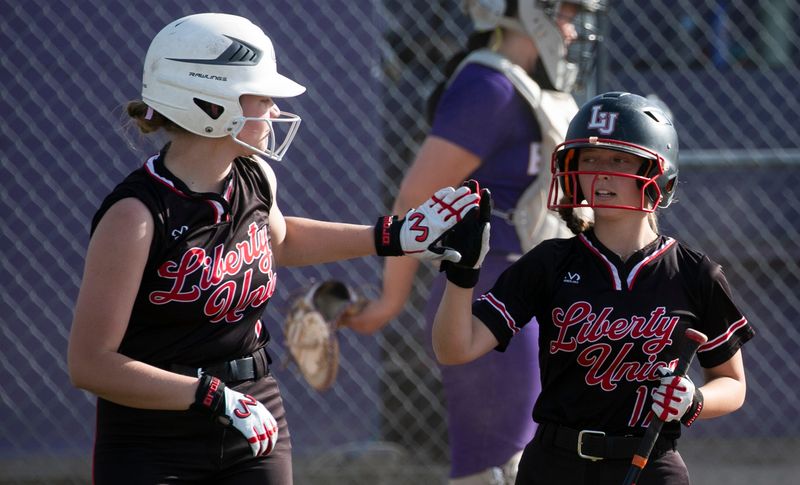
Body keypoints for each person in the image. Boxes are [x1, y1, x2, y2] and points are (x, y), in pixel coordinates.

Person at [66, 13, 482, 485]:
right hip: (155, 437)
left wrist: (393, 236)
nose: (274, 111)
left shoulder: (254, 177)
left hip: (253, 408)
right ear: (209, 102)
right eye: (262, 97)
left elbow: (280, 240)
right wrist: (210, 396)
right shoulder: (136, 215)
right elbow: (91, 363)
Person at [432, 91, 755, 484]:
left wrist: (695, 399)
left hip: (649, 462)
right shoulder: (549, 263)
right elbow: (455, 349)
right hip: (555, 463)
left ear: (659, 175)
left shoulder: (694, 273)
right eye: (589, 159)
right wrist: (461, 276)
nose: (601, 172)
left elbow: (733, 383)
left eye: (619, 159)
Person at [343, 1, 606, 483]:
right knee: (498, 469)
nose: (571, 30)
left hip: (534, 286)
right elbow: (416, 197)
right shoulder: (489, 85)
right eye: (564, 14)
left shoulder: (531, 87)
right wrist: (391, 299)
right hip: (492, 288)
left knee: (545, 462)